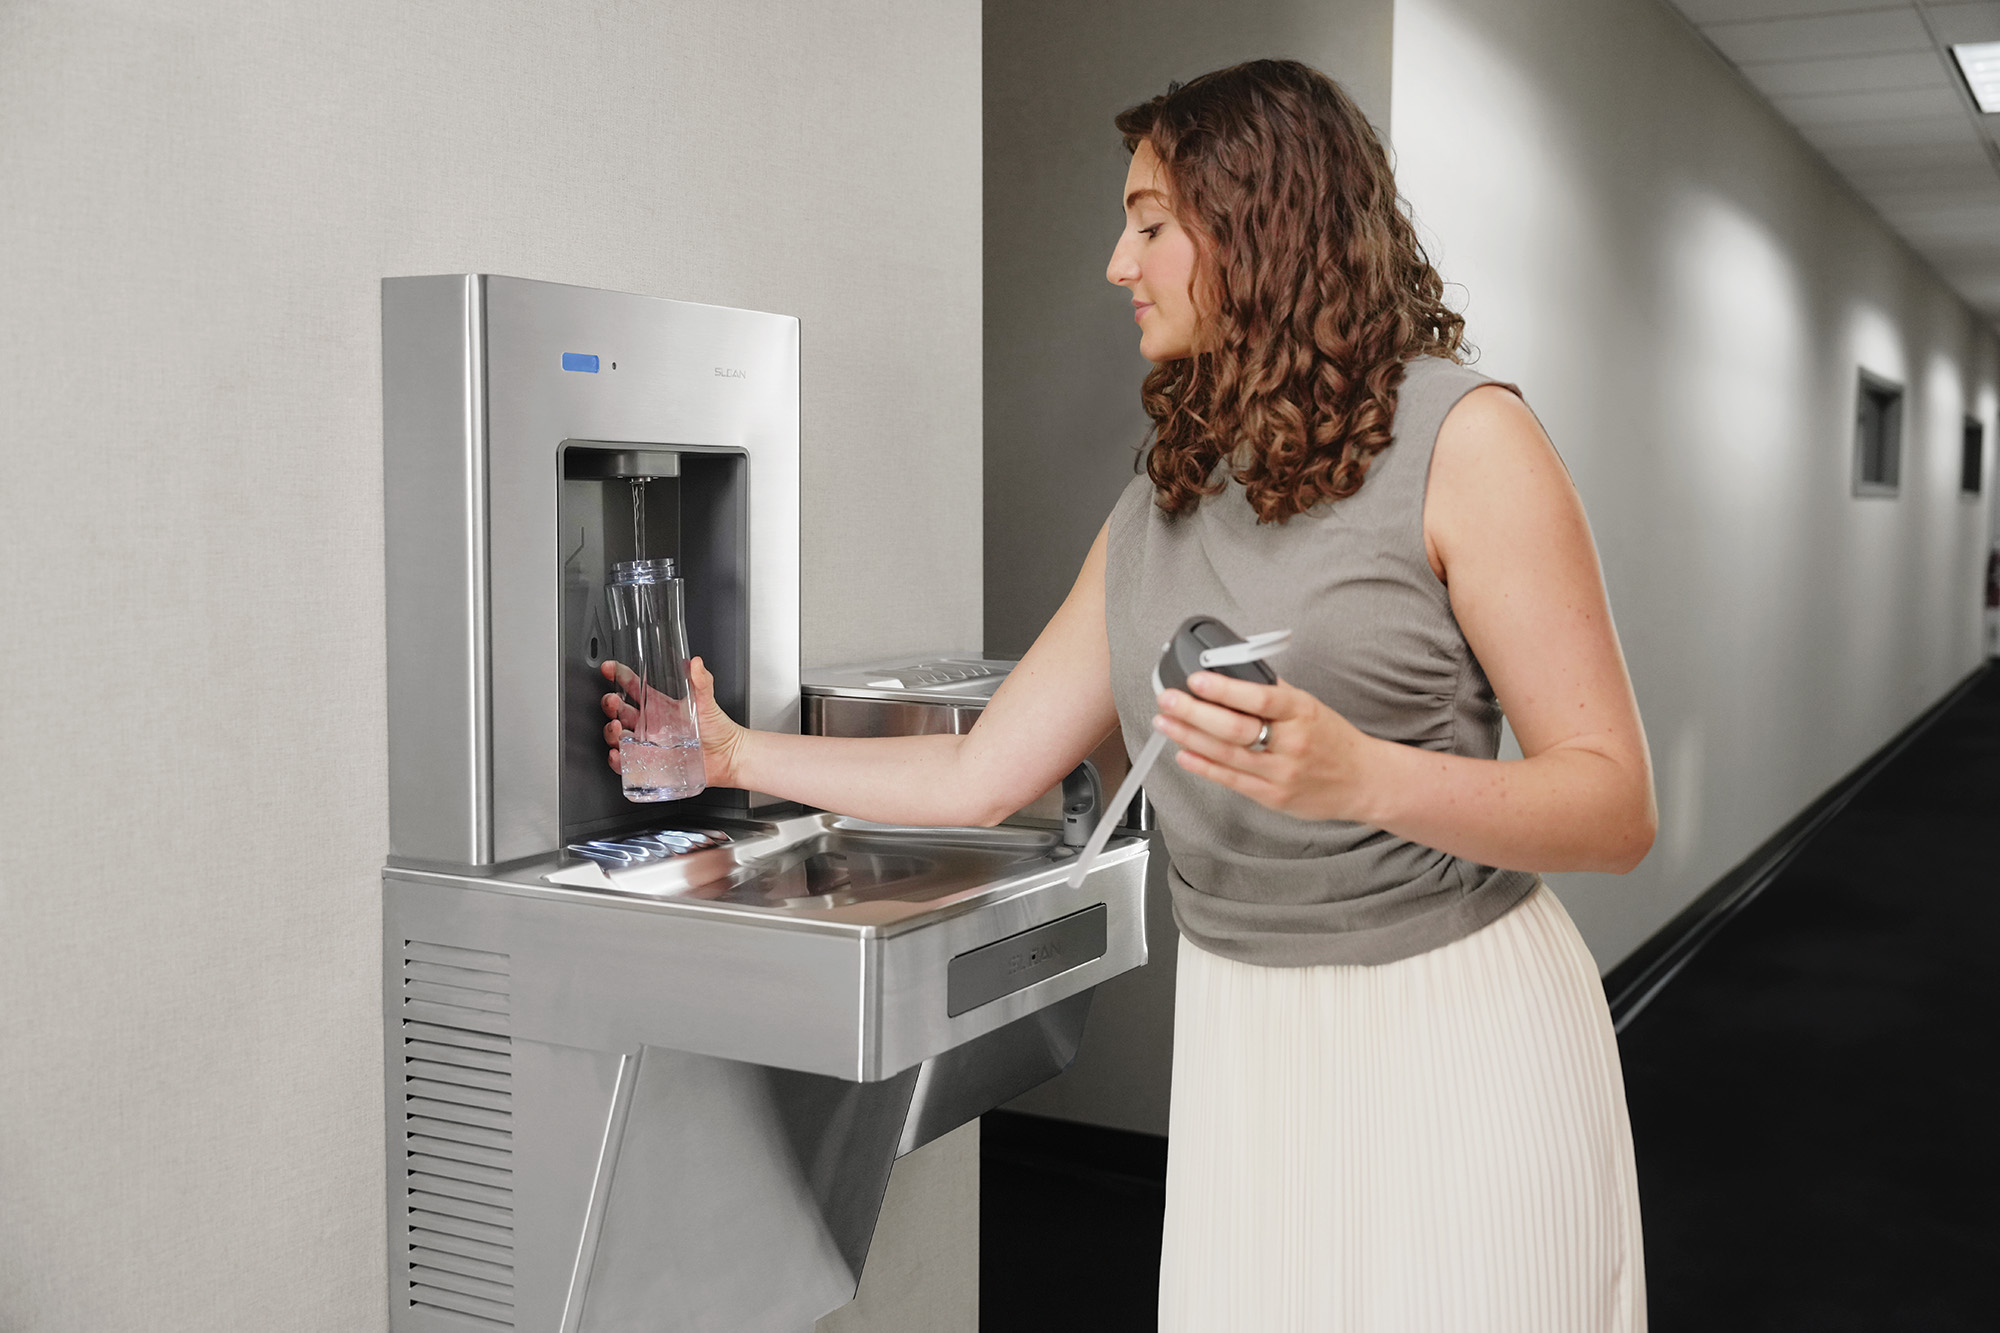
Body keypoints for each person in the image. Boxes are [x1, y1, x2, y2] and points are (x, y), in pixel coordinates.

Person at [604, 59, 1655, 1333]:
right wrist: (729, 753)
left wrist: (1361, 776)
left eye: (1151, 223)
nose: (1118, 260)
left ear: (1262, 221)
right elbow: (981, 774)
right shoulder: (1168, 497)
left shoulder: (1468, 441)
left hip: (1450, 1029)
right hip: (1244, 1042)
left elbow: (1611, 808)